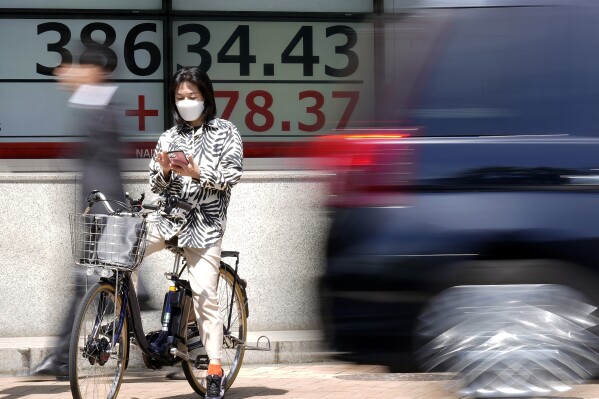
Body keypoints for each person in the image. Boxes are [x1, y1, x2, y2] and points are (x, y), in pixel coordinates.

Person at [28, 42, 153, 379]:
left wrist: (107, 210)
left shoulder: (105, 105)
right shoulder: (96, 103)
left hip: (105, 209)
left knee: (86, 284)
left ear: (97, 71)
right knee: (85, 285)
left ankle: (63, 356)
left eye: (83, 68)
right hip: (96, 209)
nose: (76, 74)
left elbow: (106, 165)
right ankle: (66, 354)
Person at [143, 66, 243, 399]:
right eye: (180, 97)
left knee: (204, 295)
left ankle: (214, 367)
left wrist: (200, 172)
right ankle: (122, 325)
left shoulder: (227, 131)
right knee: (122, 250)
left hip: (205, 225)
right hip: (168, 218)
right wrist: (167, 171)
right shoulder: (169, 137)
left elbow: (231, 175)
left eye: (192, 96)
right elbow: (156, 185)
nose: (186, 102)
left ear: (205, 97)